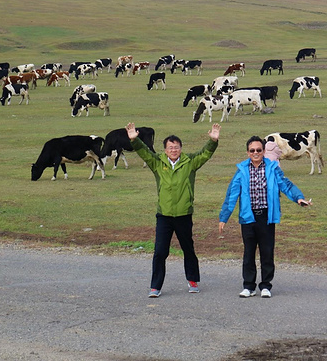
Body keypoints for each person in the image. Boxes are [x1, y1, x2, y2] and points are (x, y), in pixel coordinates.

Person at [126, 122, 221, 298]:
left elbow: (205, 154)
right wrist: (134, 140)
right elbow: (145, 153)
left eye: (176, 147)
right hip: (164, 215)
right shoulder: (157, 163)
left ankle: (192, 280)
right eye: (170, 148)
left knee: (188, 248)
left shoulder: (189, 162)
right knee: (160, 251)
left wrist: (213, 141)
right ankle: (155, 287)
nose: (173, 150)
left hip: (184, 214)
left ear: (181, 148)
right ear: (165, 150)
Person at [219, 136, 311, 299]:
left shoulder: (272, 167)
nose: (255, 153)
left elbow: (286, 185)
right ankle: (249, 286)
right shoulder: (241, 170)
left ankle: (266, 286)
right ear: (248, 152)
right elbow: (232, 194)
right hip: (248, 217)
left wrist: (298, 197)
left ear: (263, 151)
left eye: (259, 150)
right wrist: (224, 217)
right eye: (252, 150)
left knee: (267, 252)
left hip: (266, 217)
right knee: (248, 253)